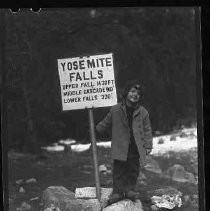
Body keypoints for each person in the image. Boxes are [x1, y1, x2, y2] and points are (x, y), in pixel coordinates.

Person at [96, 80, 153, 204]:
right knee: (119, 170)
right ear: (126, 93)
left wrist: (148, 145)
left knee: (133, 169)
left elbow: (147, 129)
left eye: (138, 93)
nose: (135, 94)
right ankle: (117, 192)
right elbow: (106, 122)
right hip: (120, 146)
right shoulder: (115, 110)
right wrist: (96, 130)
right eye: (132, 91)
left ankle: (129, 190)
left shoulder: (143, 112)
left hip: (135, 147)